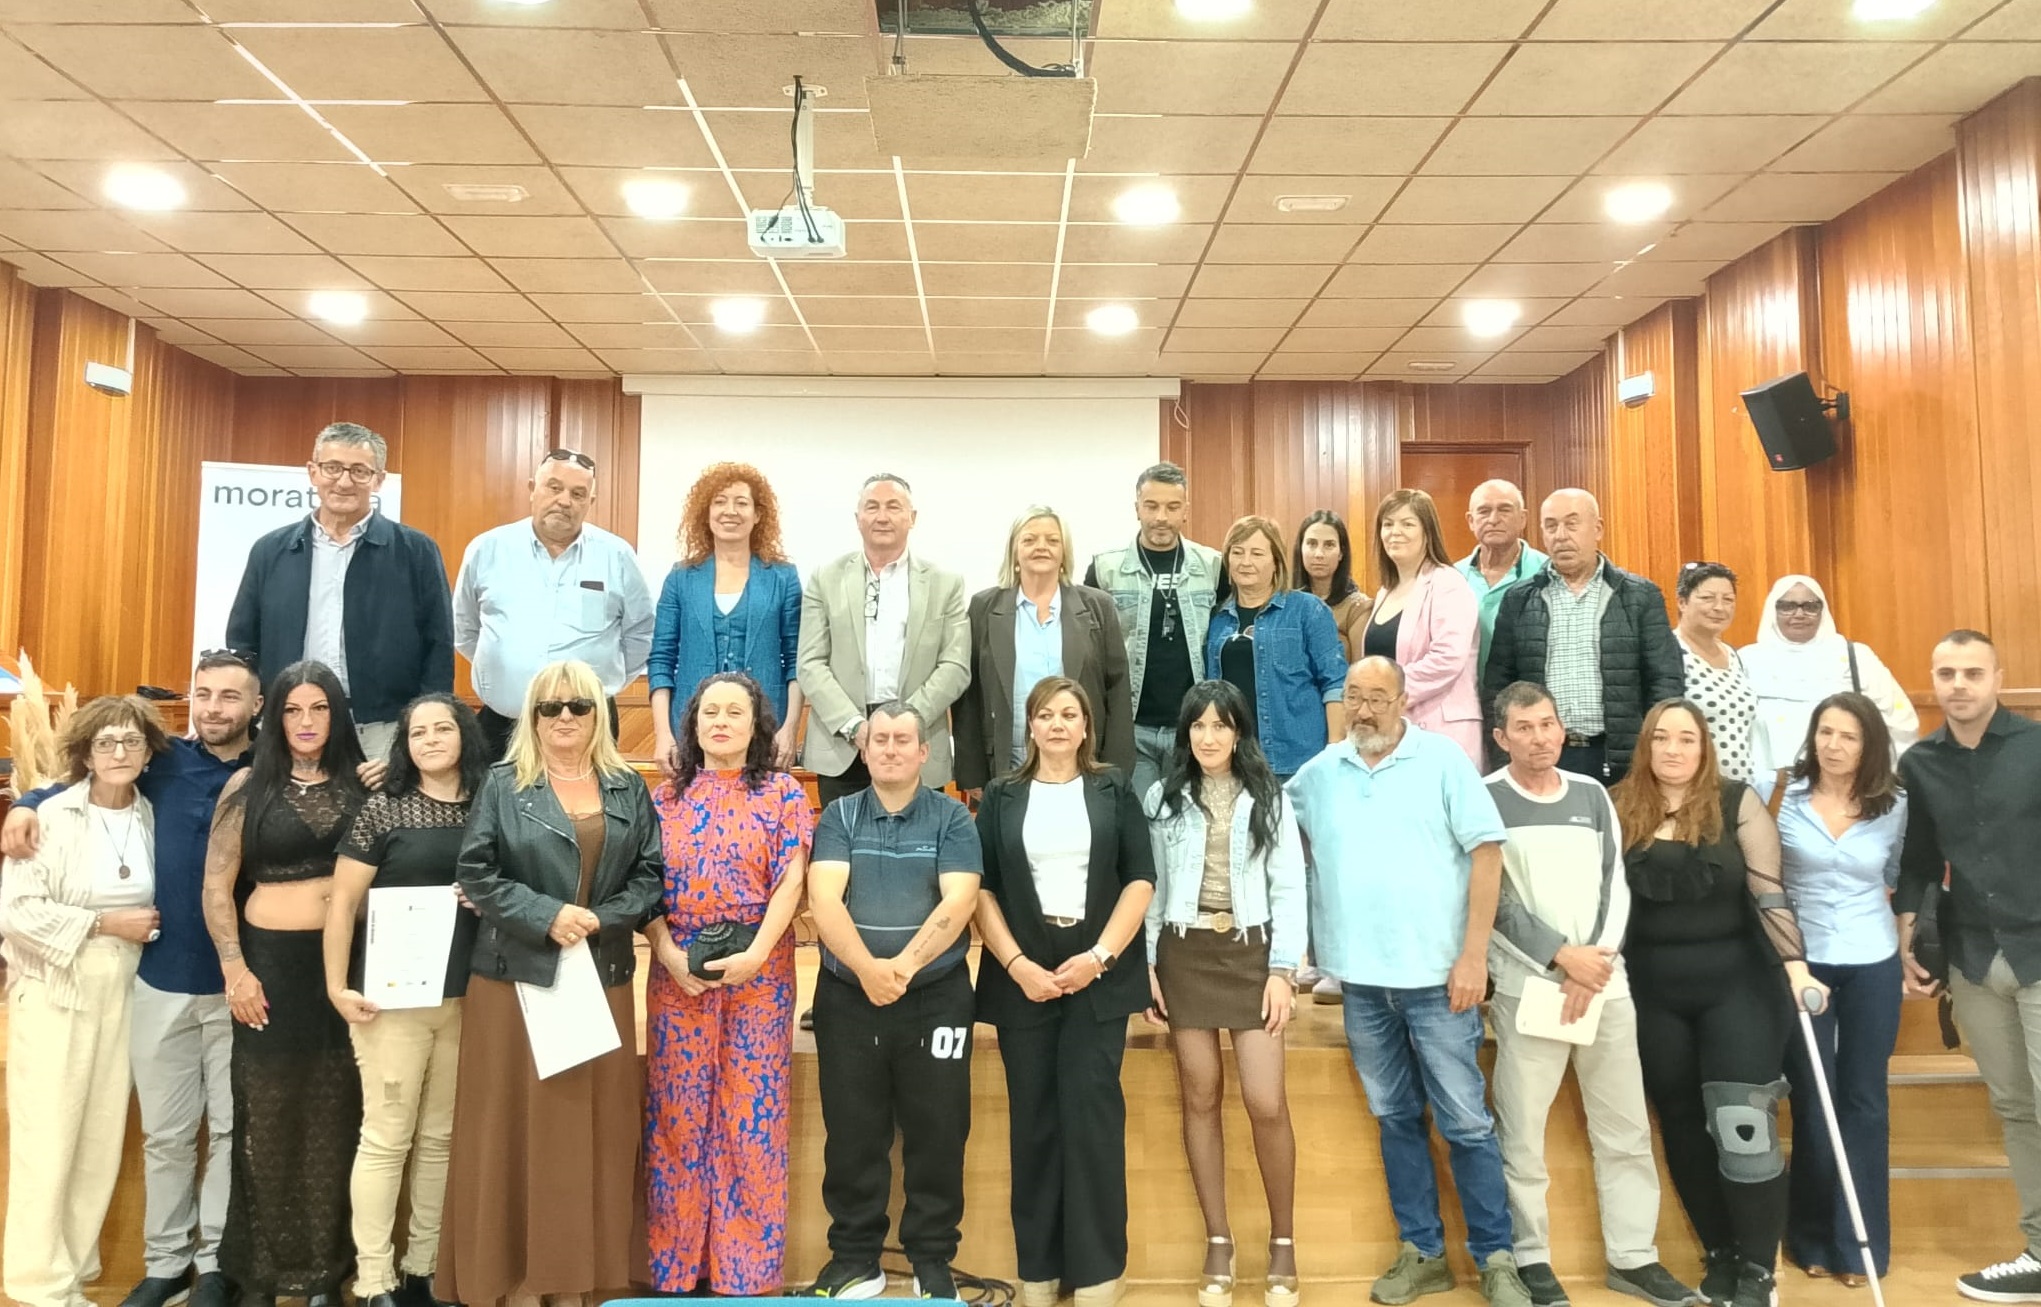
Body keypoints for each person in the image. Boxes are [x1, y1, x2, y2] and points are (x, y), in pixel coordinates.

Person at [1, 652, 265, 1307]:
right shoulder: (160, 767)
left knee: (209, 1135)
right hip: (138, 984)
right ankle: (149, 1266)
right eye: (202, 693)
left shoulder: (272, 770)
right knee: (152, 1136)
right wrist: (24, 802)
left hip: (221, 985)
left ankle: (211, 1268)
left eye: (230, 695)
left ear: (257, 705)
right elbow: (78, 786)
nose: (213, 707)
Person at [1285, 657, 1530, 1307]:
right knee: (1395, 1118)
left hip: (1438, 977)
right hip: (1360, 984)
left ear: (1404, 702)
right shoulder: (1319, 774)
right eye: (1352, 697)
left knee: (1466, 1123)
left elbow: (1487, 853)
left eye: (1376, 697)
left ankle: (1496, 1257)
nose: (1362, 709)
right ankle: (1422, 1252)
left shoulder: (1442, 761)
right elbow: (1270, 838)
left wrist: (1472, 956)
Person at [436, 659, 664, 1307]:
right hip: (514, 981)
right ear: (531, 717)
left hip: (602, 975)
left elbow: (650, 877)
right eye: (549, 707)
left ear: (600, 713)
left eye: (578, 706)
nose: (564, 717)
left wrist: (595, 919)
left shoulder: (627, 787)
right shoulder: (504, 785)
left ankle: (574, 1281)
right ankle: (512, 1281)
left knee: (591, 1133)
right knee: (510, 1130)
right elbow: (476, 871)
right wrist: (547, 915)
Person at [1483, 682, 1699, 1307]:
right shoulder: (1485, 799)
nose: (1540, 737)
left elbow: (1616, 884)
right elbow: (1493, 901)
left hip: (1604, 984)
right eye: (1523, 728)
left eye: (1547, 724)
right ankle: (1532, 1259)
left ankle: (1634, 1257)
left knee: (1625, 1128)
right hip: (1531, 986)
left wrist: (1592, 962)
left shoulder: (1591, 796)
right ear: (1501, 738)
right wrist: (1560, 958)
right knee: (1523, 1132)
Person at [1612, 699, 1823, 1307]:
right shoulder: (1619, 805)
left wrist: (1796, 963)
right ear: (1645, 746)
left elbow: (1768, 890)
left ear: (1705, 748)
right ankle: (1721, 1253)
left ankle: (1759, 1268)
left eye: (1687, 739)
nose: (1674, 750)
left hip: (1738, 985)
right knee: (1680, 1124)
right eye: (1661, 739)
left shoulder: (1737, 803)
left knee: (1743, 1124)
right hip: (1653, 992)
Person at [975, 677, 1156, 1307]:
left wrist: (1101, 956)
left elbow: (1139, 879)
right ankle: (1039, 1273)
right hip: (1023, 972)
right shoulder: (1001, 795)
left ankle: (1100, 1272)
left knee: (1092, 1121)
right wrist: (1017, 963)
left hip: (1096, 970)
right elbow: (983, 888)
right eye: (1045, 714)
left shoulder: (1114, 789)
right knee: (1034, 1125)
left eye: (1069, 714)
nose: (1057, 724)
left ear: (1086, 728)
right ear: (1030, 726)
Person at [202, 662, 372, 1307]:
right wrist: (235, 968)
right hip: (267, 969)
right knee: (268, 1119)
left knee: (338, 1117)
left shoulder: (363, 783)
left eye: (319, 709)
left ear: (337, 715)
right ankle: (266, 1272)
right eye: (293, 709)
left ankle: (328, 1272)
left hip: (342, 973)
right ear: (273, 715)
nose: (305, 722)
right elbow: (218, 884)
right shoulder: (250, 785)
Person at [802, 702, 982, 1301]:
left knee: (939, 1129)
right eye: (879, 739)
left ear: (925, 751)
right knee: (853, 1131)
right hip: (849, 997)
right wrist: (867, 971)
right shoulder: (840, 816)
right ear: (865, 749)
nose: (890, 749)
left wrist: (901, 968)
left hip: (935, 998)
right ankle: (856, 1258)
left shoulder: (953, 820)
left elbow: (959, 902)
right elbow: (824, 900)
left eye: (903, 739)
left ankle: (931, 1259)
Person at [643, 673, 815, 1297]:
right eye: (709, 711)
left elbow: (792, 882)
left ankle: (743, 1273)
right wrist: (666, 952)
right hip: (678, 973)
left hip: (760, 977)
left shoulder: (783, 794)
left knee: (752, 1119)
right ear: (691, 725)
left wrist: (758, 954)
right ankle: (676, 1268)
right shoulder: (664, 798)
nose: (720, 721)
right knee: (678, 1117)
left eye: (734, 712)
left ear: (755, 725)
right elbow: (644, 886)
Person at [1142, 680, 1306, 1307]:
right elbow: (1152, 887)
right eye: (1199, 727)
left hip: (1252, 954)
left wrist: (1283, 970)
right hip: (1184, 954)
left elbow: (1289, 884)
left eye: (1222, 726)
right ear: (1186, 735)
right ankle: (1219, 1239)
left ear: (1240, 733)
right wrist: (1151, 964)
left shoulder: (1269, 796)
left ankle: (1283, 1243)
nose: (1209, 738)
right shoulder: (1163, 796)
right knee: (1201, 1094)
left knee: (1266, 1100)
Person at [2, 696, 170, 1307]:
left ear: (150, 751)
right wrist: (105, 925)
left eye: (131, 741)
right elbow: (17, 914)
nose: (119, 753)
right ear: (85, 753)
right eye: (105, 743)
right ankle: (35, 1284)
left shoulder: (155, 816)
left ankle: (70, 1275)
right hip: (57, 986)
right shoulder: (50, 815)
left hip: (127, 987)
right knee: (49, 1138)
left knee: (98, 1139)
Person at [323, 695, 491, 1307]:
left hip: (468, 996)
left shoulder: (488, 805)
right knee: (388, 1136)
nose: (429, 739)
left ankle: (423, 1268)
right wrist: (336, 985)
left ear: (464, 736)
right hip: (389, 1003)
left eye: (442, 727)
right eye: (416, 731)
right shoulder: (384, 808)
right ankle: (373, 1279)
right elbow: (342, 903)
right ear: (404, 745)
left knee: (442, 1137)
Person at [1894, 629, 2041, 1303]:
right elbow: (1919, 861)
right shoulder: (1919, 761)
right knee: (2014, 1104)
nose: (1957, 684)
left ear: (1996, 676)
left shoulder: (2035, 745)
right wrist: (1904, 936)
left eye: (1970, 672)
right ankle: (2039, 1249)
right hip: (1974, 958)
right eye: (1945, 672)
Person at [1765, 693, 1906, 1289]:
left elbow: (1897, 872)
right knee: (1816, 1102)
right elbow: (1765, 877)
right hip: (1805, 963)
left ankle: (1862, 1246)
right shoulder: (1784, 796)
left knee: (1865, 1101)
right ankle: (1811, 1238)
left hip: (1873, 960)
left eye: (1848, 735)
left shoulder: (1893, 802)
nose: (1833, 745)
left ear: (1868, 743)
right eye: (1825, 732)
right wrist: (1787, 957)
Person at [225, 422, 454, 759]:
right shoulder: (270, 551)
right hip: (291, 724)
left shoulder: (416, 551)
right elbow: (243, 642)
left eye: (360, 471)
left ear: (378, 479)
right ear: (313, 472)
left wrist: (425, 724)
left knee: (378, 814)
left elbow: (439, 646)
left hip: (383, 729)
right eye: (332, 468)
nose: (344, 482)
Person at [453, 448, 655, 760]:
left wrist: (602, 684)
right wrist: (504, 668)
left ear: (590, 502)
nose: (564, 501)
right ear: (533, 488)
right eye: (554, 487)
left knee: (587, 809)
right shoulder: (487, 549)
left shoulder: (617, 557)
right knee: (496, 808)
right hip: (504, 724)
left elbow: (641, 635)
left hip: (588, 725)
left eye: (578, 493)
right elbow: (465, 629)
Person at [1483, 488, 1684, 782]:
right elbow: (1498, 687)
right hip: (1543, 757)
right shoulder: (1519, 599)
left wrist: (1656, 749)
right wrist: (1506, 757)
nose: (1560, 535)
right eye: (1551, 526)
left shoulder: (1639, 596)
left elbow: (1665, 681)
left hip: (1622, 759)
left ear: (1598, 528)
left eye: (1572, 524)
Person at [797, 472, 971, 807]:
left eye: (894, 506)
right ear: (858, 518)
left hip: (917, 742)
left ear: (912, 518)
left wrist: (902, 728)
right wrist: (856, 727)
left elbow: (956, 666)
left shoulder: (945, 583)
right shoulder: (825, 578)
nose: (882, 516)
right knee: (842, 852)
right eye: (872, 507)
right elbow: (810, 663)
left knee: (918, 852)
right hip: (844, 744)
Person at [955, 505, 1133, 797]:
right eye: (1029, 540)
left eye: (1052, 540)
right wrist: (971, 771)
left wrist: (1115, 770)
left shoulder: (1098, 607)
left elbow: (1118, 690)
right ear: (1014, 551)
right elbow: (968, 696)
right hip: (1008, 764)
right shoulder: (983, 608)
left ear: (1065, 552)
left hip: (1083, 762)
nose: (1041, 547)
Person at [647, 461, 806, 774]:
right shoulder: (681, 578)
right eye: (719, 502)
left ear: (758, 515)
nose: (729, 511)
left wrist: (789, 730)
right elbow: (662, 660)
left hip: (765, 734)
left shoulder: (783, 577)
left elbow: (797, 661)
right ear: (705, 513)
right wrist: (663, 734)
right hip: (691, 734)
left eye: (741, 502)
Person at [1085, 461, 1224, 800]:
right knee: (1140, 829)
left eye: (1172, 507)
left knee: (1189, 825)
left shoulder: (1213, 566)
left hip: (1192, 727)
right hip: (1131, 728)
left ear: (1185, 511)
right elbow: (1089, 654)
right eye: (1152, 506)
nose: (1161, 516)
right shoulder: (1105, 569)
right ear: (1137, 509)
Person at [1204, 515, 1346, 780]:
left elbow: (1335, 682)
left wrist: (1335, 748)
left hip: (1298, 763)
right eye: (1237, 553)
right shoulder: (1217, 619)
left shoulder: (1307, 610)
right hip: (1234, 763)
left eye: (1257, 553)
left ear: (1276, 562)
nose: (1245, 562)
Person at [1743, 574, 1918, 777]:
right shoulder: (1746, 661)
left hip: (1845, 785)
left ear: (1822, 610)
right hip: (1764, 787)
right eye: (1787, 606)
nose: (1799, 614)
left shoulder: (1855, 656)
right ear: (1773, 610)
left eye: (1810, 606)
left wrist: (1883, 776)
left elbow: (1899, 719)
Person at [1366, 489, 1483, 768]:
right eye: (1388, 524)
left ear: (1427, 533)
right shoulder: (1386, 591)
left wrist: (1385, 693)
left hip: (1442, 730)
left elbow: (1447, 659)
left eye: (1407, 524)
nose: (1395, 532)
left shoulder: (1447, 583)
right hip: (1395, 728)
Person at [1671, 563, 1756, 783]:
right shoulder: (1668, 651)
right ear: (1682, 602)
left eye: (1728, 600)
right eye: (1708, 598)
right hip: (1690, 787)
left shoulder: (1734, 656)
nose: (1719, 607)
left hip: (1740, 788)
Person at [1455, 479, 1547, 677]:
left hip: (1529, 700)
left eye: (1504, 510)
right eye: (1484, 511)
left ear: (1523, 519)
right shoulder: (1452, 578)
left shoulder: (1547, 573)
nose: (1493, 519)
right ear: (1471, 521)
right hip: (1464, 701)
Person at [1293, 509, 1372, 662]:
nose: (1319, 554)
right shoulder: (1288, 603)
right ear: (1300, 549)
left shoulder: (1358, 607)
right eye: (1311, 544)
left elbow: (1360, 670)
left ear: (1341, 553)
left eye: (1329, 545)